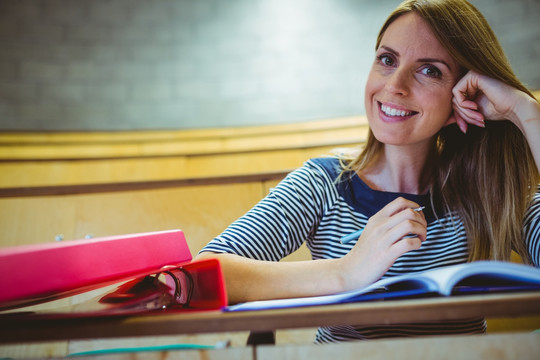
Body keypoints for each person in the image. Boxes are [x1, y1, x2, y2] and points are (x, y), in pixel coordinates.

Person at [196, 0, 540, 342]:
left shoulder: (489, 187)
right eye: (387, 60)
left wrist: (525, 111)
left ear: (464, 92)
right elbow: (204, 274)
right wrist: (346, 272)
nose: (395, 85)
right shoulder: (323, 183)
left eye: (429, 70)